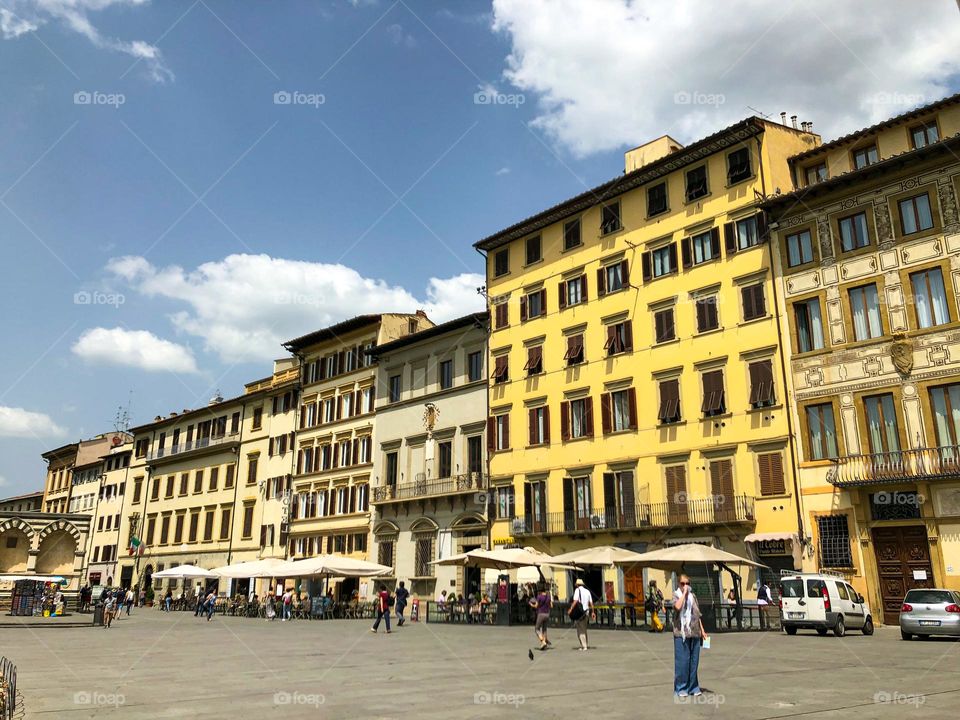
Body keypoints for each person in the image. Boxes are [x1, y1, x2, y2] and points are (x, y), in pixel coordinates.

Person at [672, 574, 708, 698]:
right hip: (681, 633)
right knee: (683, 662)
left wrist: (702, 630)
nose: (685, 586)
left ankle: (693, 686)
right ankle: (681, 687)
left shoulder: (693, 597)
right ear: (678, 584)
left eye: (687, 583)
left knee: (694, 661)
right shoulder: (676, 595)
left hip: (695, 632)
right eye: (683, 584)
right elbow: (677, 607)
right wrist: (684, 594)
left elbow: (697, 614)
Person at [568, 578, 595, 651]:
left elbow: (575, 601)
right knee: (584, 628)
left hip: (579, 612)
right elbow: (591, 603)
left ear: (577, 585)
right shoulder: (587, 591)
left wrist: (570, 609)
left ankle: (584, 646)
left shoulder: (577, 590)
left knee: (580, 630)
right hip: (586, 612)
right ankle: (585, 644)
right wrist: (593, 612)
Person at [530, 584, 553, 650]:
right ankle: (545, 642)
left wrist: (531, 604)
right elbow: (551, 606)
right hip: (547, 614)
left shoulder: (539, 596)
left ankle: (543, 641)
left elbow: (536, 606)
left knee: (537, 629)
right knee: (544, 629)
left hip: (541, 614)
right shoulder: (548, 596)